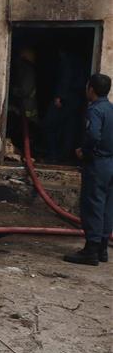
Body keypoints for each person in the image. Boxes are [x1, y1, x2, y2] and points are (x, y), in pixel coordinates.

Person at [64, 73, 113, 266]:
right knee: (108, 206)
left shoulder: (95, 110)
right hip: (111, 163)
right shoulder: (111, 109)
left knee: (93, 205)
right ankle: (102, 249)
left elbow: (93, 135)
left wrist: (84, 152)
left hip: (98, 164)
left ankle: (91, 250)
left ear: (91, 89)